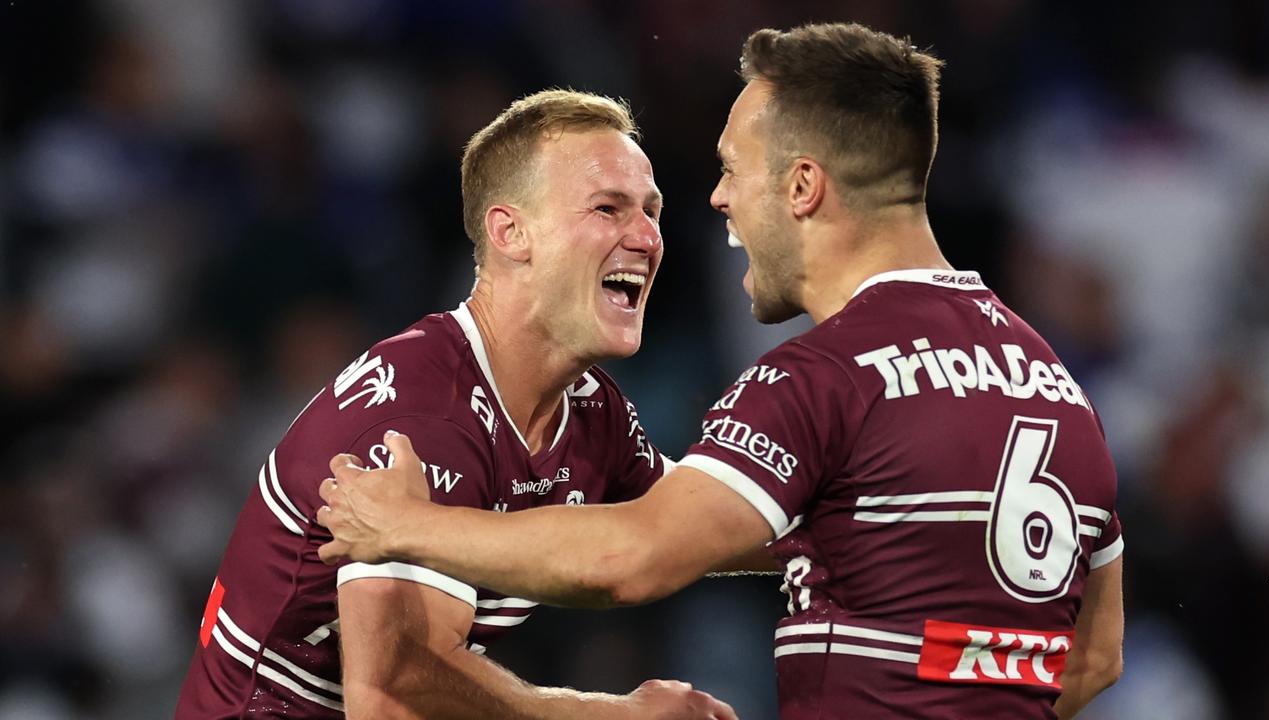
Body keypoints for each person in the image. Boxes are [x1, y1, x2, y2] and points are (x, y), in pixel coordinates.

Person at [315, 22, 1126, 720]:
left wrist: (406, 526)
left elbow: (635, 559)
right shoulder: (1054, 383)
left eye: (734, 168)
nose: (717, 199)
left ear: (803, 186)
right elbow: (1095, 658)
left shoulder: (820, 378)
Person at [175, 89, 738, 720]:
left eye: (651, 211)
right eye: (608, 208)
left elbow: (690, 528)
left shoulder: (589, 408)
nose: (645, 237)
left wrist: (851, 522)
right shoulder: (420, 421)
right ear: (510, 232)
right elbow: (392, 695)